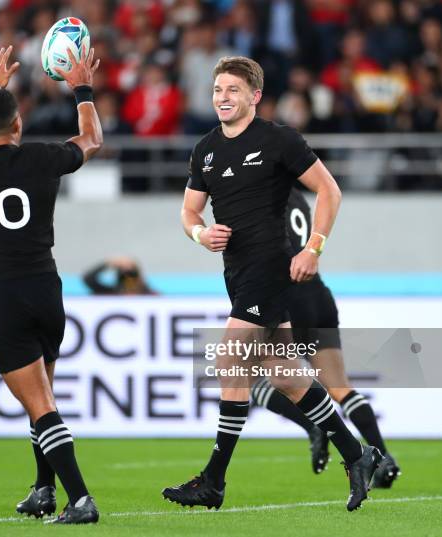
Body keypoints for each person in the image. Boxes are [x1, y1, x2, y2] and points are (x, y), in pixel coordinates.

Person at [162, 56, 381, 512]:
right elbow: (187, 212)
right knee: (286, 375)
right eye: (217, 90)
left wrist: (313, 248)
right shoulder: (205, 148)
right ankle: (358, 455)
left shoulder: (279, 139)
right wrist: (201, 233)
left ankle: (214, 481)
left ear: (254, 96)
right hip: (236, 273)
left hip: (271, 267)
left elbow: (329, 191)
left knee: (229, 358)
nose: (222, 97)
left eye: (232, 90)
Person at [0, 45, 103, 524]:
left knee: (39, 406)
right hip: (45, 287)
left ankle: (80, 499)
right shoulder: (39, 159)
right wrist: (81, 86)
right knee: (45, 397)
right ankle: (43, 489)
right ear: (17, 126)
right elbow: (92, 139)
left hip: (2, 294)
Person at [250, 186, 401, 487]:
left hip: (286, 295)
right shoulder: (296, 195)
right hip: (318, 294)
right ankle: (383, 458)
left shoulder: (260, 192)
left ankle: (313, 426)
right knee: (340, 386)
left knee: (249, 378)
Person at [82, 257, 155, 295]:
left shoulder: (149, 297)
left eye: (132, 277)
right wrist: (110, 263)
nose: (129, 284)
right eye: (124, 278)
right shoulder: (111, 294)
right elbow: (88, 279)